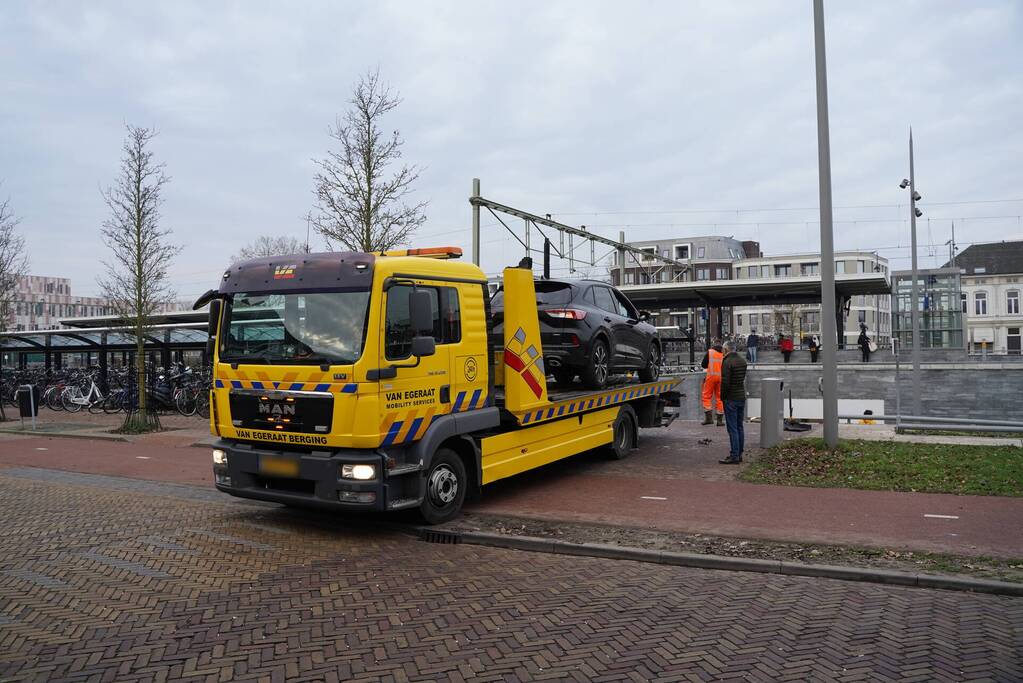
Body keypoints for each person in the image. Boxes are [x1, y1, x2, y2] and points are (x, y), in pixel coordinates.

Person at [718, 339, 748, 464]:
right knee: (739, 426)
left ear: (726, 349)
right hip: (741, 397)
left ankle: (734, 455)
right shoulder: (742, 360)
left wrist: (722, 397)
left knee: (732, 428)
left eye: (723, 350)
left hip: (731, 398)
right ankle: (739, 453)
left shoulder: (727, 362)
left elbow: (725, 382)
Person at [700, 337, 725, 426]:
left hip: (711, 377)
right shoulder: (724, 354)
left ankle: (709, 418)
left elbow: (703, 365)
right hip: (721, 378)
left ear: (714, 344)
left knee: (706, 396)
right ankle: (719, 421)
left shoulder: (710, 352)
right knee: (720, 398)